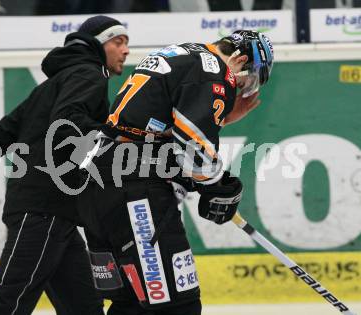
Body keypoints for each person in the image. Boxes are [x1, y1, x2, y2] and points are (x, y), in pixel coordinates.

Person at [0, 15, 129, 315]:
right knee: (10, 298)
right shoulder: (89, 75)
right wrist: (114, 135)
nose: (125, 50)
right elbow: (67, 125)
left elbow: (0, 136)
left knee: (84, 307)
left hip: (56, 214)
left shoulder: (54, 84)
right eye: (118, 42)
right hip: (44, 210)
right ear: (99, 45)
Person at [78, 30, 274, 315]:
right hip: (134, 193)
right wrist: (219, 186)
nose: (242, 89)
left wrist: (218, 121)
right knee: (176, 305)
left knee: (133, 303)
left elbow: (157, 132)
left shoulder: (185, 54)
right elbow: (193, 147)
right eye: (248, 79)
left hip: (103, 183)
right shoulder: (213, 71)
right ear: (240, 59)